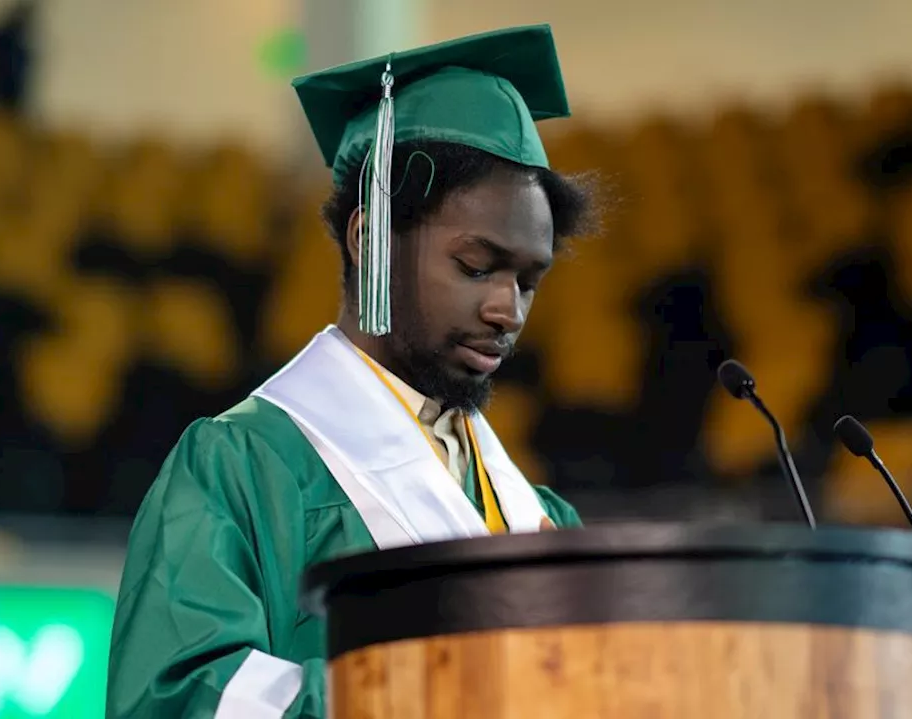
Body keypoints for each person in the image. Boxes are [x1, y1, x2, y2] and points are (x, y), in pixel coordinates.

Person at [105, 24, 597, 719]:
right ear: (371, 239)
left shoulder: (537, 517)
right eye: (477, 266)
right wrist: (434, 690)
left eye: (528, 280)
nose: (506, 309)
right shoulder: (241, 469)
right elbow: (177, 697)